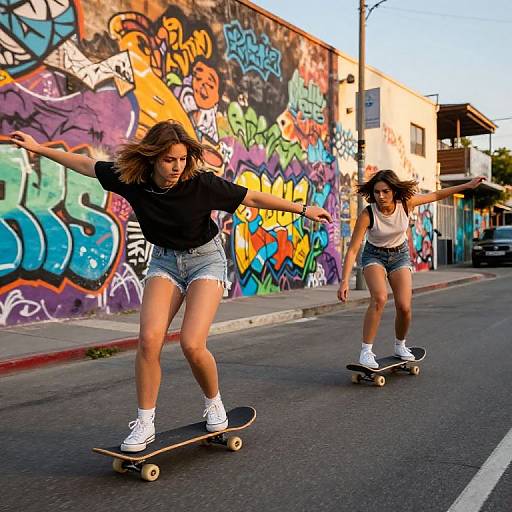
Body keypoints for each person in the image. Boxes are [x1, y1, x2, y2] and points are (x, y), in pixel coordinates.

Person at [10, 121, 332, 452]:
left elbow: (252, 197)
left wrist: (304, 209)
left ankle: (214, 404)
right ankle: (145, 422)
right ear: (152, 158)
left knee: (192, 343)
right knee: (149, 341)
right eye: (169, 160)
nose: (177, 167)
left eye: (181, 159)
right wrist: (37, 148)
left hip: (206, 260)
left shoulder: (201, 184)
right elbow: (86, 165)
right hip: (165, 262)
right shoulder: (131, 180)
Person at [337, 169, 485, 369]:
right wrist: (345, 280)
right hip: (374, 255)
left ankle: (400, 346)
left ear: (394, 191)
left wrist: (467, 185)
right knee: (379, 298)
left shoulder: (406, 204)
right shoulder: (368, 213)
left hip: (400, 256)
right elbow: (354, 249)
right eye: (377, 192)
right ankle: (366, 351)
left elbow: (436, 195)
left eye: (386, 191)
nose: (381, 196)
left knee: (404, 307)